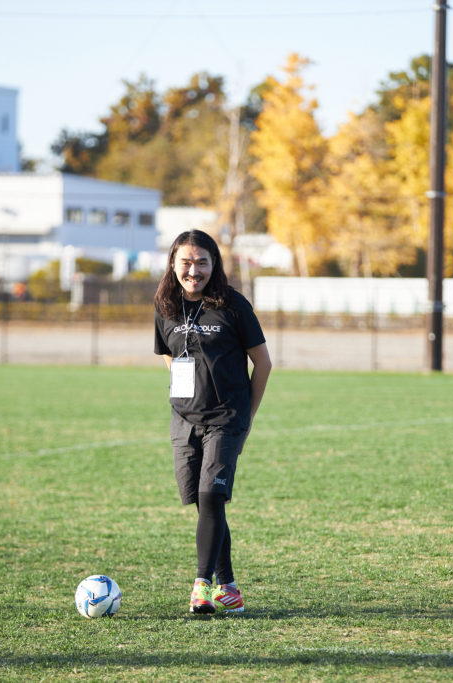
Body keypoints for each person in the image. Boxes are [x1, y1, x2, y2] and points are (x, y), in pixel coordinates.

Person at [153, 230, 272, 615]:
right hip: (184, 419)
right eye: (186, 262)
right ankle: (230, 587)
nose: (194, 270)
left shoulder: (233, 305)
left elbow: (264, 363)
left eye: (202, 261)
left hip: (227, 417)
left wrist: (246, 419)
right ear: (173, 263)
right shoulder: (165, 306)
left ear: (214, 264)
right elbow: (169, 356)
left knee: (212, 496)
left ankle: (202, 586)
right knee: (205, 504)